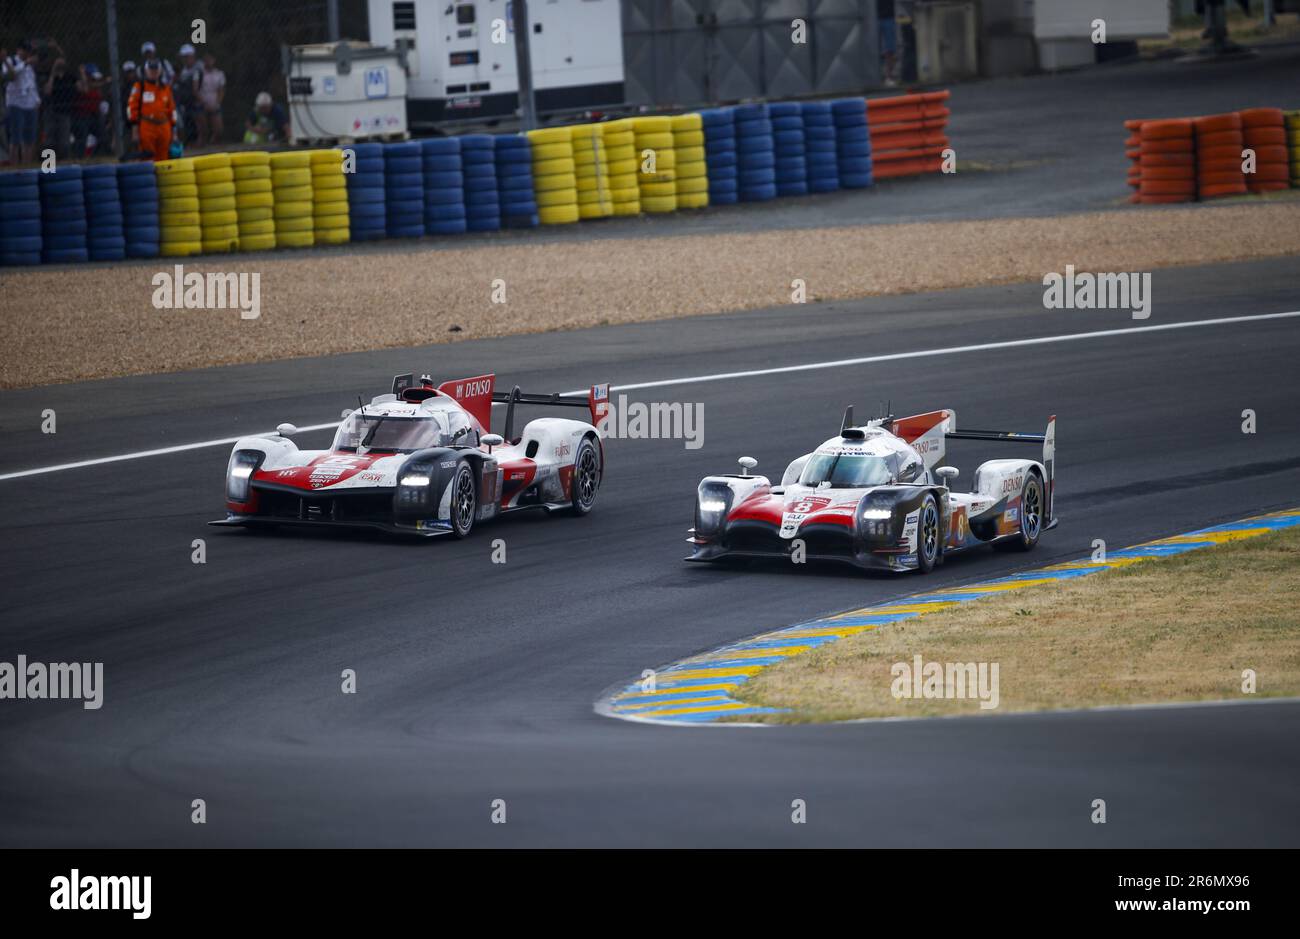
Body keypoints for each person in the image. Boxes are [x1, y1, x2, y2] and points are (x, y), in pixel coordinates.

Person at [127, 58, 175, 162]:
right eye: (151, 70)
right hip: (147, 126)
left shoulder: (165, 88)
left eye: (156, 70)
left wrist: (174, 130)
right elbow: (132, 108)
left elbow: (172, 109)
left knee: (164, 158)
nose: (154, 72)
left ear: (160, 71)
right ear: (146, 71)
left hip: (164, 126)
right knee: (147, 156)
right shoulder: (139, 87)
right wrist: (134, 130)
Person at [1, 41, 41, 164]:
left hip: (30, 103)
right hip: (16, 102)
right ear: (19, 50)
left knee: (29, 138)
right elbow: (10, 75)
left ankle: (26, 164)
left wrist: (37, 99)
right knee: (16, 137)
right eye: (25, 50)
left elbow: (31, 83)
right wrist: (25, 63)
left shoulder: (30, 65)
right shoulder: (11, 61)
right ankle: (14, 164)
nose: (27, 54)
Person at [42, 53, 78, 157]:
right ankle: (49, 163)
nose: (60, 64)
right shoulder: (49, 75)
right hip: (51, 110)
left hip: (65, 111)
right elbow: (47, 91)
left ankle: (64, 162)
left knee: (64, 141)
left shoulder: (70, 76)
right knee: (49, 140)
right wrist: (53, 73)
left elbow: (82, 88)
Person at [72, 63, 106, 156]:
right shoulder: (79, 83)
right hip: (81, 116)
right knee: (82, 139)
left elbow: (99, 96)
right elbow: (85, 90)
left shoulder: (96, 85)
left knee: (102, 137)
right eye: (91, 76)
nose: (94, 79)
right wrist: (83, 74)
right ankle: (79, 157)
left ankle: (97, 155)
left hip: (93, 115)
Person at [175, 43, 202, 145]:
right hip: (186, 102)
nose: (184, 60)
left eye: (186, 57)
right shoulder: (183, 70)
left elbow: (196, 87)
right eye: (183, 57)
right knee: (186, 122)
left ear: (192, 56)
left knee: (198, 119)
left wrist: (200, 99)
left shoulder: (199, 67)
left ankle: (201, 140)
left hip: (196, 100)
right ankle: (189, 142)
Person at [195, 52, 226, 145]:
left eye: (210, 59)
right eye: (206, 60)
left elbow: (221, 90)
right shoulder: (199, 73)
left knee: (219, 130)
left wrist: (217, 103)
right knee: (203, 131)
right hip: (201, 104)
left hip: (214, 104)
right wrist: (204, 103)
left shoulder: (219, 74)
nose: (208, 62)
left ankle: (213, 146)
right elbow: (195, 90)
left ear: (214, 60)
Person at [878, 0, 898, 87]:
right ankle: (882, 77)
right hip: (875, 16)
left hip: (888, 16)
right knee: (874, 49)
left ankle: (888, 77)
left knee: (890, 49)